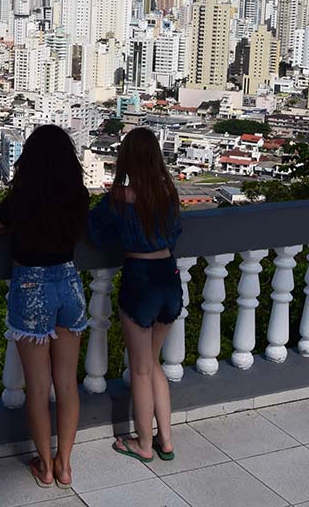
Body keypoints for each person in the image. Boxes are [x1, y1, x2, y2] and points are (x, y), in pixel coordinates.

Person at [0, 124, 90, 489]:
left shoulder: (22, 199)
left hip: (32, 286)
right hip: (70, 284)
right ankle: (66, 466)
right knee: (68, 385)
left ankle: (44, 466)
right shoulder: (78, 197)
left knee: (39, 388)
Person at [88, 127, 183, 463]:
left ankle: (144, 444)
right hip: (169, 277)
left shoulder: (118, 199)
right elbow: (176, 234)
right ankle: (166, 439)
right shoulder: (168, 194)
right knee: (152, 363)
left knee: (141, 369)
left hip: (140, 279)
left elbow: (94, 235)